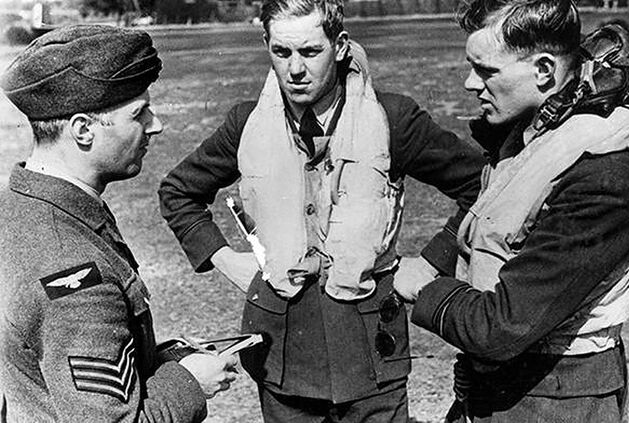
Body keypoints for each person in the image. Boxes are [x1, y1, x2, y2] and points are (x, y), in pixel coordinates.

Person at [158, 0, 485, 421]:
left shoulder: (393, 119)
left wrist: (432, 260)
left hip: (370, 354)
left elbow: (482, 186)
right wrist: (227, 260)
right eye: (282, 52)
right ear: (266, 45)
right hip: (281, 353)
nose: (295, 69)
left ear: (341, 46)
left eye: (311, 52)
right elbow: (179, 191)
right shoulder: (246, 123)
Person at [393, 0, 629, 422]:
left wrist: (423, 289)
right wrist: (429, 261)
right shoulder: (533, 134)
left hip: (556, 401)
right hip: (499, 390)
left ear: (545, 71)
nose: (468, 83)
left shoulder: (602, 181)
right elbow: (488, 214)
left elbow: (500, 327)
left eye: (486, 70)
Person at [0, 25, 238, 422]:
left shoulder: (21, 208)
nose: (155, 125)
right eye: (139, 113)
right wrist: (189, 381)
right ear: (83, 130)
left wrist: (159, 360)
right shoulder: (74, 275)